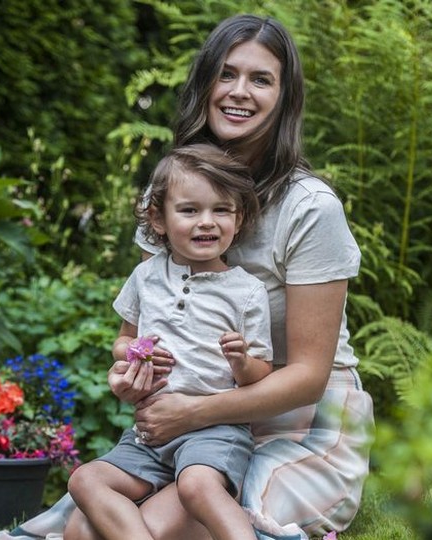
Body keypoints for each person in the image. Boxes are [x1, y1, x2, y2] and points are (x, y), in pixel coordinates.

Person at [0, 12, 374, 540]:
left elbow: (308, 376)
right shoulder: (169, 195)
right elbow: (150, 330)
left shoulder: (309, 208)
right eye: (226, 74)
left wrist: (191, 414)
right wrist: (137, 379)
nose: (239, 92)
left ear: (284, 97)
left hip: (298, 424)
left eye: (261, 79)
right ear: (205, 82)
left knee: (167, 527)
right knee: (82, 530)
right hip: (191, 426)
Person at [67, 143, 274, 540]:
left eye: (221, 210)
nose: (207, 222)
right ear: (158, 219)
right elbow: (123, 340)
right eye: (190, 210)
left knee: (197, 486)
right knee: (85, 480)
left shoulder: (246, 291)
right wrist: (133, 355)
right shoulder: (145, 278)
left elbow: (260, 372)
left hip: (215, 429)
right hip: (149, 432)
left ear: (239, 216)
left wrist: (241, 361)